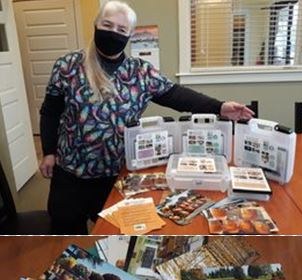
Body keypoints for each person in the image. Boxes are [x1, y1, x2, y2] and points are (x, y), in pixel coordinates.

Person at [39, 1, 254, 234]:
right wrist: (49, 151)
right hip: (71, 173)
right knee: (64, 237)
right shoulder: (67, 66)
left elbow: (177, 96)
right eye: (107, 24)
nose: (113, 33)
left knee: (114, 234)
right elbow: (50, 111)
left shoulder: (140, 72)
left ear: (130, 34)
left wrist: (220, 107)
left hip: (118, 174)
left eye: (121, 30)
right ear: (96, 24)